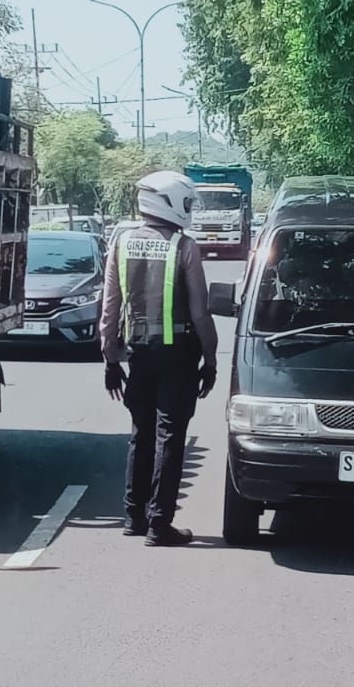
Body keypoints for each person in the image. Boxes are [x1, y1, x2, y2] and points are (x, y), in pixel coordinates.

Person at [100, 170, 220, 547]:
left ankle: (133, 516)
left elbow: (109, 306)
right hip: (179, 356)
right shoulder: (184, 247)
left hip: (138, 355)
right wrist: (211, 359)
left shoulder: (121, 243)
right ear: (170, 202)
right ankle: (159, 523)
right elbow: (200, 312)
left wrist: (110, 358)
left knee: (142, 432)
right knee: (169, 437)